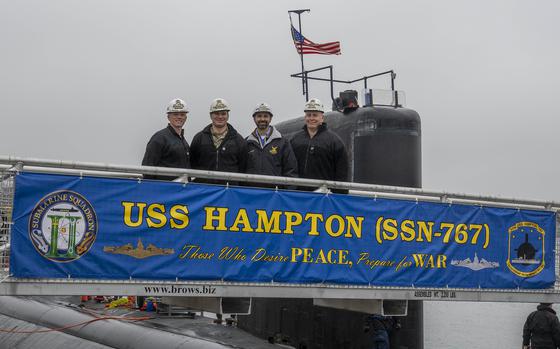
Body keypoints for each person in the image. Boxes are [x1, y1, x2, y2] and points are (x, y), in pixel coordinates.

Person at [289, 98, 349, 193]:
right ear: (305, 117)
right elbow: (289, 168)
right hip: (299, 194)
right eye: (308, 115)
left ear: (322, 118)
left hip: (324, 196)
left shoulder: (334, 141)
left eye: (315, 115)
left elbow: (341, 173)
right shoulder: (295, 140)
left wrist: (339, 196)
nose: (311, 118)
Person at [190, 98, 247, 184]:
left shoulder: (238, 140)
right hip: (204, 189)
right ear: (210, 115)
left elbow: (243, 167)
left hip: (229, 191)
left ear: (228, 115)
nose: (220, 117)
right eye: (216, 113)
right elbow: (192, 163)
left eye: (223, 114)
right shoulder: (199, 138)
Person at [245, 102, 297, 187]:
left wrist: (288, 193)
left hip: (275, 195)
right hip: (252, 194)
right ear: (254, 118)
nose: (262, 119)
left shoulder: (282, 142)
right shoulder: (247, 143)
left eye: (265, 116)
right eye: (259, 116)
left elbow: (291, 170)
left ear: (270, 118)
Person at [142, 98, 191, 180]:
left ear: (186, 118)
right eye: (175, 114)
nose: (179, 117)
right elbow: (147, 168)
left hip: (180, 189)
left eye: (182, 114)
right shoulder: (159, 138)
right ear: (168, 117)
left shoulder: (183, 141)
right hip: (164, 189)